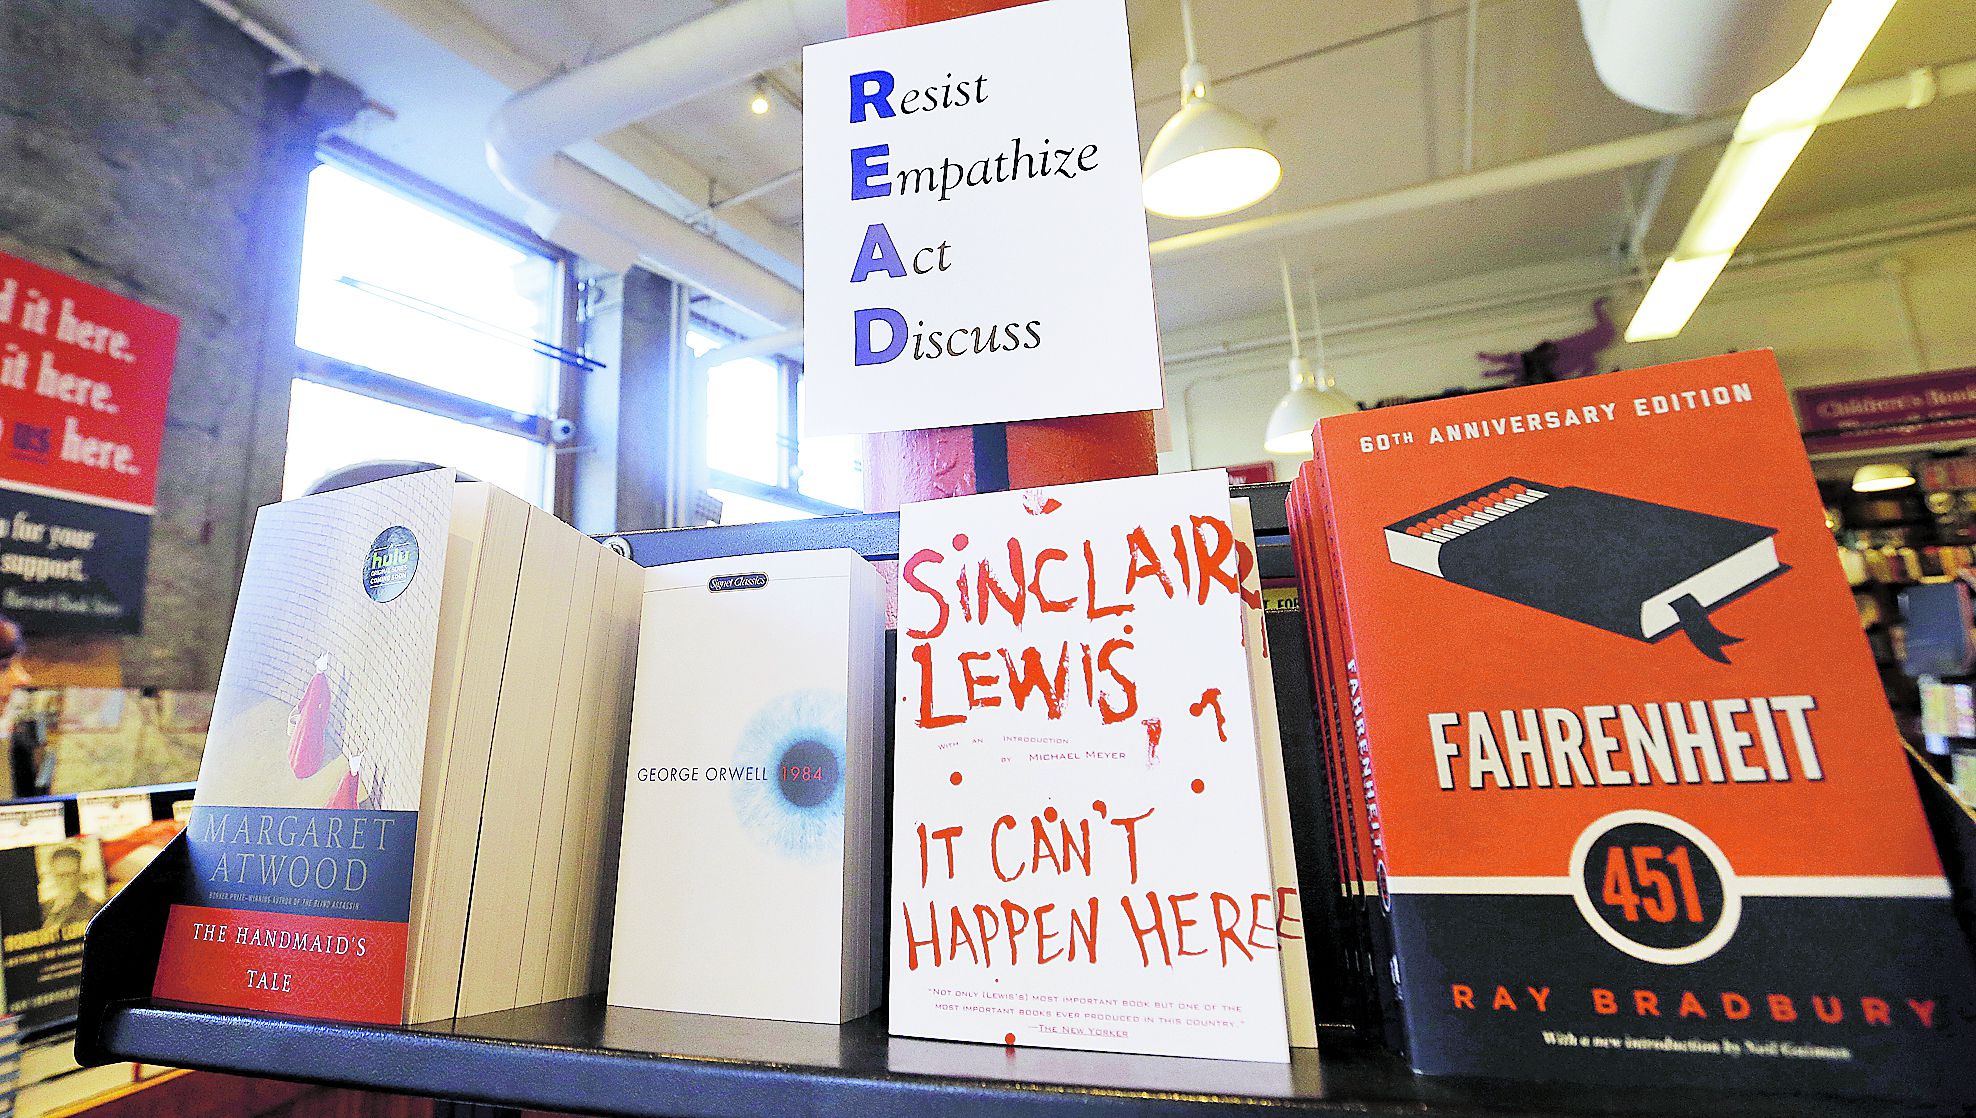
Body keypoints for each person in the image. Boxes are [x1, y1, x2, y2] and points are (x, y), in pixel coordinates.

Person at [40, 843, 102, 930]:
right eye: (61, 875)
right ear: (53, 874)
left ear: (79, 874)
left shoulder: (93, 908)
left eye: (71, 874)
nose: (67, 881)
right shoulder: (44, 908)